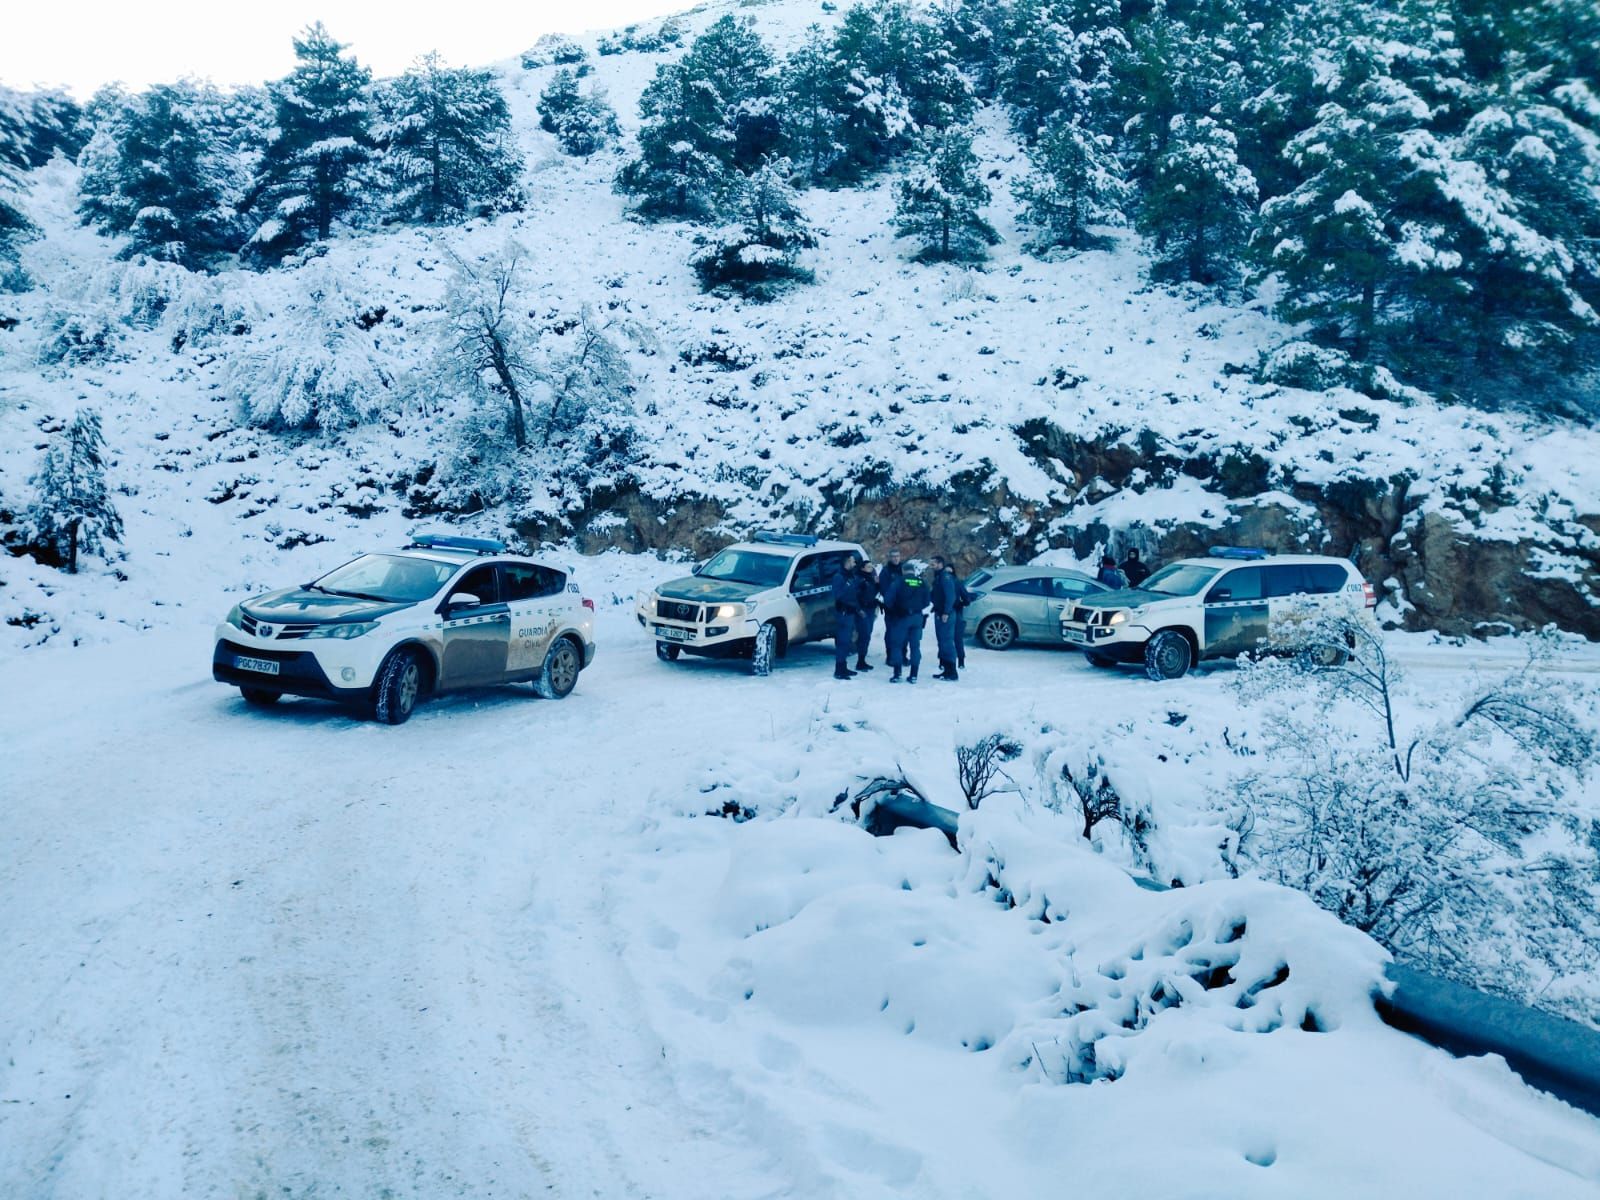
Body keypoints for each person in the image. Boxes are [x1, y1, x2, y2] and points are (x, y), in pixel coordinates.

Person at [882, 564, 928, 683]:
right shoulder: (921, 582)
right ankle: (914, 675)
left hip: (901, 617)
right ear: (913, 571)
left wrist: (895, 609)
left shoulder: (898, 582)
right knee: (915, 646)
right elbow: (927, 601)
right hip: (917, 617)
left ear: (903, 571)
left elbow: (887, 600)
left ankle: (897, 674)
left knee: (897, 645)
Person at [831, 553, 861, 680]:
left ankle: (843, 667)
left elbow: (854, 594)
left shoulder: (850, 575)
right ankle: (839, 669)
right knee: (843, 641)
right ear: (847, 562)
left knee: (847, 641)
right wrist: (848, 585)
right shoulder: (839, 577)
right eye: (853, 561)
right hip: (843, 613)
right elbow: (838, 595)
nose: (854, 564)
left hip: (850, 612)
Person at [931, 556, 960, 681]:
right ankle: (946, 669)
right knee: (942, 641)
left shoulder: (945, 577)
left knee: (946, 642)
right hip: (940, 612)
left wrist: (946, 612)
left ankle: (951, 671)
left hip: (945, 614)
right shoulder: (939, 577)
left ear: (940, 564)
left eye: (933, 564)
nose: (931, 566)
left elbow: (950, 596)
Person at [852, 559, 880, 672]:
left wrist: (877, 584)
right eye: (868, 567)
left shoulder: (870, 578)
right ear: (862, 568)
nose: (871, 569)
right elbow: (854, 596)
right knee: (864, 635)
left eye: (871, 567)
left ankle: (862, 660)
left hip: (870, 609)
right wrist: (859, 610)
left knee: (867, 635)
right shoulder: (859, 579)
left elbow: (874, 592)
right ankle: (860, 661)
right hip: (863, 610)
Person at [879, 548, 905, 663]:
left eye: (897, 556)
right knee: (890, 632)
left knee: (904, 632)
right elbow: (884, 590)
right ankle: (890, 655)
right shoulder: (885, 571)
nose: (896, 558)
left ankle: (903, 655)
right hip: (891, 608)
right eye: (893, 556)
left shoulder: (904, 569)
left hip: (904, 607)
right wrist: (890, 605)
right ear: (890, 558)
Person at [953, 570, 976, 671]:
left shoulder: (940, 581)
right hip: (957, 612)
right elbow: (966, 599)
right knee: (958, 639)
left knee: (945, 640)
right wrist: (961, 604)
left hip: (943, 614)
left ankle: (943, 661)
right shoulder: (957, 583)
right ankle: (961, 661)